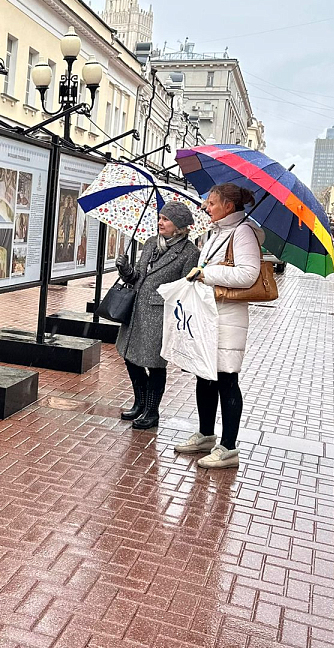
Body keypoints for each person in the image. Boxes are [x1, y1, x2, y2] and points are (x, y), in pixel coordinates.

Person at [175, 183, 264, 469]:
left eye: (212, 203)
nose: (206, 207)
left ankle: (228, 447)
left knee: (226, 379)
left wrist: (206, 273)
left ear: (228, 206)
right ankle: (205, 434)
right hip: (210, 314)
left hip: (228, 319)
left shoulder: (244, 233)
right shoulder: (217, 231)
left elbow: (249, 275)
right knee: (204, 375)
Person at [114, 202, 200, 430]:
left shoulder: (190, 253)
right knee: (129, 355)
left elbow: (186, 288)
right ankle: (140, 402)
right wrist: (126, 271)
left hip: (161, 314)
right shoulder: (152, 243)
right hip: (136, 310)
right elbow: (138, 277)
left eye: (166, 219)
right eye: (160, 218)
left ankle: (152, 411)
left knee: (154, 364)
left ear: (180, 226)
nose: (160, 222)